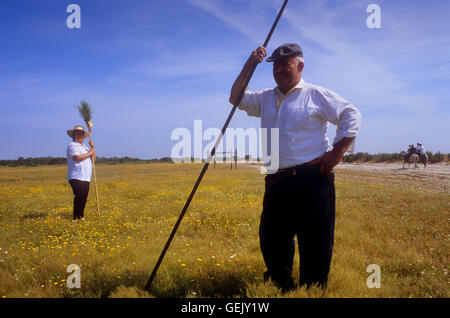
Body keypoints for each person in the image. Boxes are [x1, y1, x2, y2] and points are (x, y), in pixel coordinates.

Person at [229, 43, 362, 291]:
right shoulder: (266, 98)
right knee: (272, 240)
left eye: (285, 65)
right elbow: (235, 97)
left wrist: (336, 152)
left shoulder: (315, 94)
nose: (279, 70)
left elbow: (351, 115)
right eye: (275, 66)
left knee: (316, 244)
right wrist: (250, 64)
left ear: (300, 66)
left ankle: (312, 292)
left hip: (313, 179)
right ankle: (281, 288)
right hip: (276, 181)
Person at [66, 125, 95, 221]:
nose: (79, 136)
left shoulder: (86, 147)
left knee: (84, 197)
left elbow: (93, 159)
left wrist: (92, 148)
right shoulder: (72, 145)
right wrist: (90, 153)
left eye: (81, 134)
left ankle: (81, 217)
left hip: (86, 176)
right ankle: (76, 217)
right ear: (73, 135)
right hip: (76, 175)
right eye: (77, 134)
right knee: (79, 195)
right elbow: (76, 158)